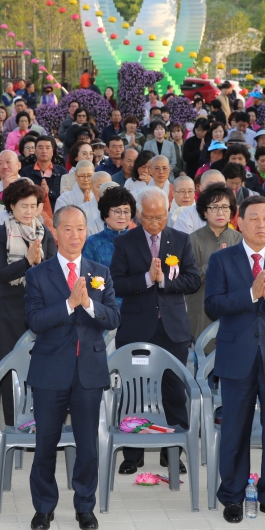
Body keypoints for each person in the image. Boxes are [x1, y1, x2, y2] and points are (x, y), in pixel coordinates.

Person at [204, 195, 265, 523]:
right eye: (255, 218)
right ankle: (232, 496)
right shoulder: (223, 260)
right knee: (235, 429)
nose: (262, 223)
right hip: (236, 357)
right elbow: (213, 306)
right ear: (240, 222)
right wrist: (250, 295)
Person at [24, 205, 120, 530]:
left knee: (87, 444)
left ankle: (84, 506)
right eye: (68, 229)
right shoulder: (38, 274)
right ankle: (44, 507)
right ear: (56, 231)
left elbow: (113, 318)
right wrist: (69, 305)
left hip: (89, 370)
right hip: (50, 371)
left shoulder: (100, 271)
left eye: (80, 229)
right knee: (46, 444)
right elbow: (35, 321)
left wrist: (90, 304)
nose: (75, 235)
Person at [110, 187, 201, 474]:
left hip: (172, 328)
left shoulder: (181, 240)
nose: (154, 223)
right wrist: (147, 279)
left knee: (173, 390)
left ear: (167, 213)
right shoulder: (126, 242)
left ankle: (172, 451)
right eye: (149, 218)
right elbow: (116, 282)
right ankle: (132, 454)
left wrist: (163, 282)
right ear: (139, 214)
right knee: (132, 390)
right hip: (137, 326)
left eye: (160, 217)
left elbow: (192, 280)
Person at [0, 179, 57, 414]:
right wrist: (26, 262)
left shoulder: (43, 232)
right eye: (23, 206)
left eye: (33, 206)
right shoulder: (1, 231)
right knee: (9, 367)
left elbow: (53, 269)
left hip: (37, 309)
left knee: (40, 365)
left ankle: (38, 417)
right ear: (12, 207)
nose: (29, 211)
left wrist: (38, 264)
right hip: (7, 311)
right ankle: (11, 420)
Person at [185, 184, 243, 340]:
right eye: (214, 207)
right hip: (202, 309)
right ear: (205, 211)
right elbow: (188, 280)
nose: (220, 212)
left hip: (232, 309)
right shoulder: (192, 240)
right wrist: (212, 264)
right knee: (204, 357)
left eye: (225, 207)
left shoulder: (239, 240)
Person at [82, 186, 136, 269]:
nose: (122, 216)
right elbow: (88, 273)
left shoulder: (138, 241)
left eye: (126, 211)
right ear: (105, 212)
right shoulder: (92, 243)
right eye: (117, 211)